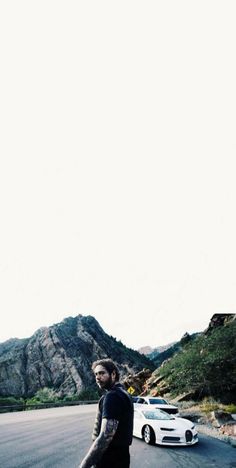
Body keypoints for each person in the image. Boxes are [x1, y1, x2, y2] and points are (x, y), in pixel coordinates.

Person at [79, 358, 134, 468]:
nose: (97, 377)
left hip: (109, 461)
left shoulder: (112, 396)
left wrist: (84, 465)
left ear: (113, 374)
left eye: (102, 373)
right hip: (122, 458)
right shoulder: (124, 393)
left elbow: (106, 436)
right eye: (96, 374)